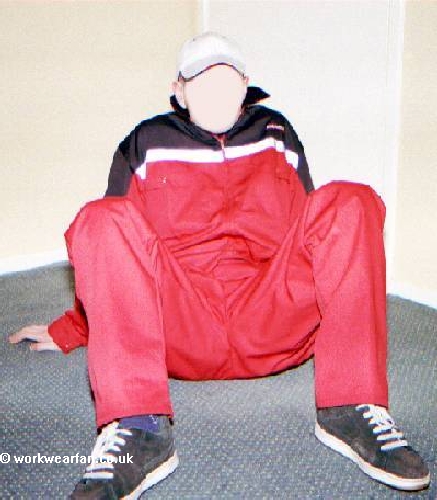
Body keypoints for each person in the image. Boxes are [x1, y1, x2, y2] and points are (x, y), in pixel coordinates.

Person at [9, 32, 430, 498]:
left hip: (270, 319)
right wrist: (73, 329)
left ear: (246, 85)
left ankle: (351, 404)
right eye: (201, 81)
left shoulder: (277, 133)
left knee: (349, 201)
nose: (216, 92)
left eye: (228, 80)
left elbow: (315, 236)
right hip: (180, 326)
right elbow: (115, 249)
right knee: (100, 217)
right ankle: (138, 426)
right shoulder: (144, 143)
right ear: (178, 90)